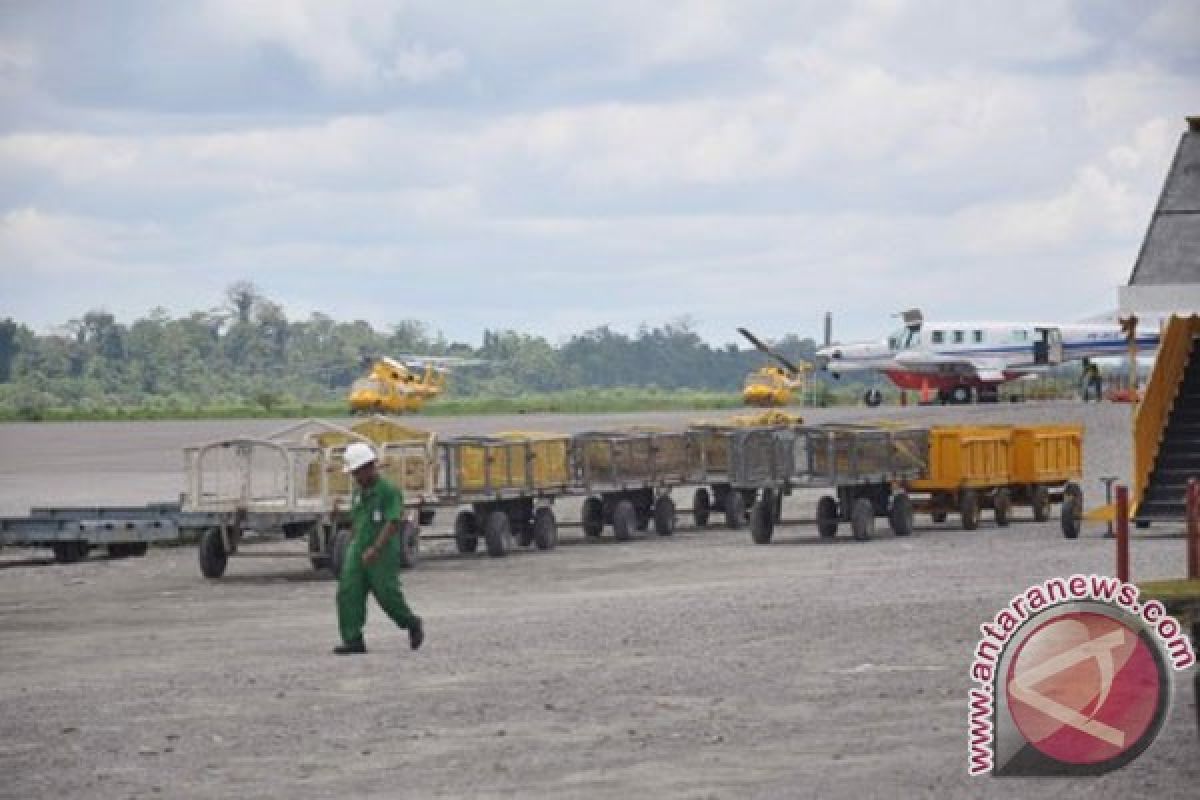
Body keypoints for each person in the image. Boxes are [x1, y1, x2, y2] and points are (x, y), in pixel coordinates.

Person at [333, 441, 424, 655]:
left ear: (369, 467)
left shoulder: (388, 492)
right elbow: (356, 520)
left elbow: (393, 522)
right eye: (353, 473)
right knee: (348, 592)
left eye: (357, 472)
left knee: (387, 594)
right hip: (358, 550)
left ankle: (411, 623)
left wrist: (375, 548)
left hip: (381, 552)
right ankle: (353, 639)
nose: (355, 477)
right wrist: (354, 546)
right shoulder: (358, 492)